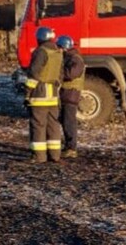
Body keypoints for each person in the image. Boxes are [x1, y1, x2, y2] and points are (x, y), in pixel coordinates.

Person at [24, 26, 63, 163]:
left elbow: (34, 74)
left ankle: (39, 156)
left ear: (40, 38)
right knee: (53, 125)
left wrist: (27, 92)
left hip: (40, 94)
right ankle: (55, 155)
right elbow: (60, 75)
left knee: (38, 125)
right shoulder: (58, 52)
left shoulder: (40, 52)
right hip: (53, 94)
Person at [56, 35, 85, 159]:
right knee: (64, 120)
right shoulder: (70, 57)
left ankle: (71, 148)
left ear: (65, 47)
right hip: (66, 94)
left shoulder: (75, 59)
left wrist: (58, 73)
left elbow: (71, 74)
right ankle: (68, 146)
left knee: (69, 122)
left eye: (59, 47)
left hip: (71, 94)